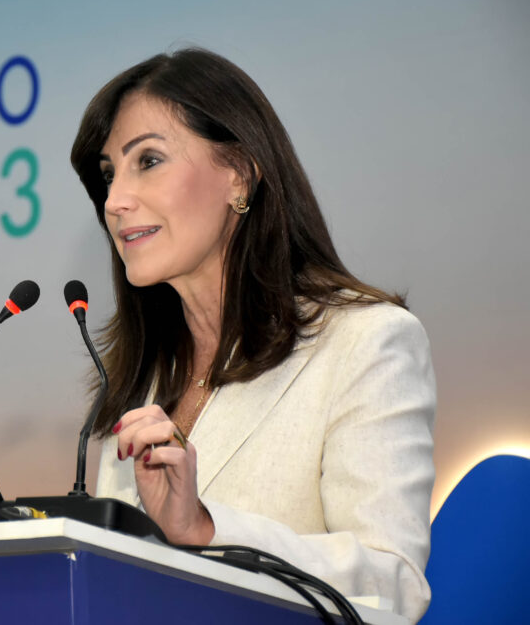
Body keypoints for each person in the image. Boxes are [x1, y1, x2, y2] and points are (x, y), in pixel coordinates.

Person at [69, 48, 435, 623]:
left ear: (239, 172)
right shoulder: (143, 379)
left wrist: (205, 529)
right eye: (110, 174)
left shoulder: (368, 343)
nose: (115, 202)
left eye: (149, 161)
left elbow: (394, 586)